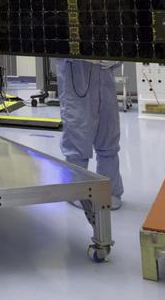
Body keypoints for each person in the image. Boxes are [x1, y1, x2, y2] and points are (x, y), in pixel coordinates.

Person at [52, 58, 124, 210]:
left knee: (109, 138)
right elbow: (55, 47)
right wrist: (80, 54)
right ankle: (75, 192)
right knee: (78, 139)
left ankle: (110, 191)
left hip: (105, 85)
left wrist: (117, 59)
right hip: (76, 82)